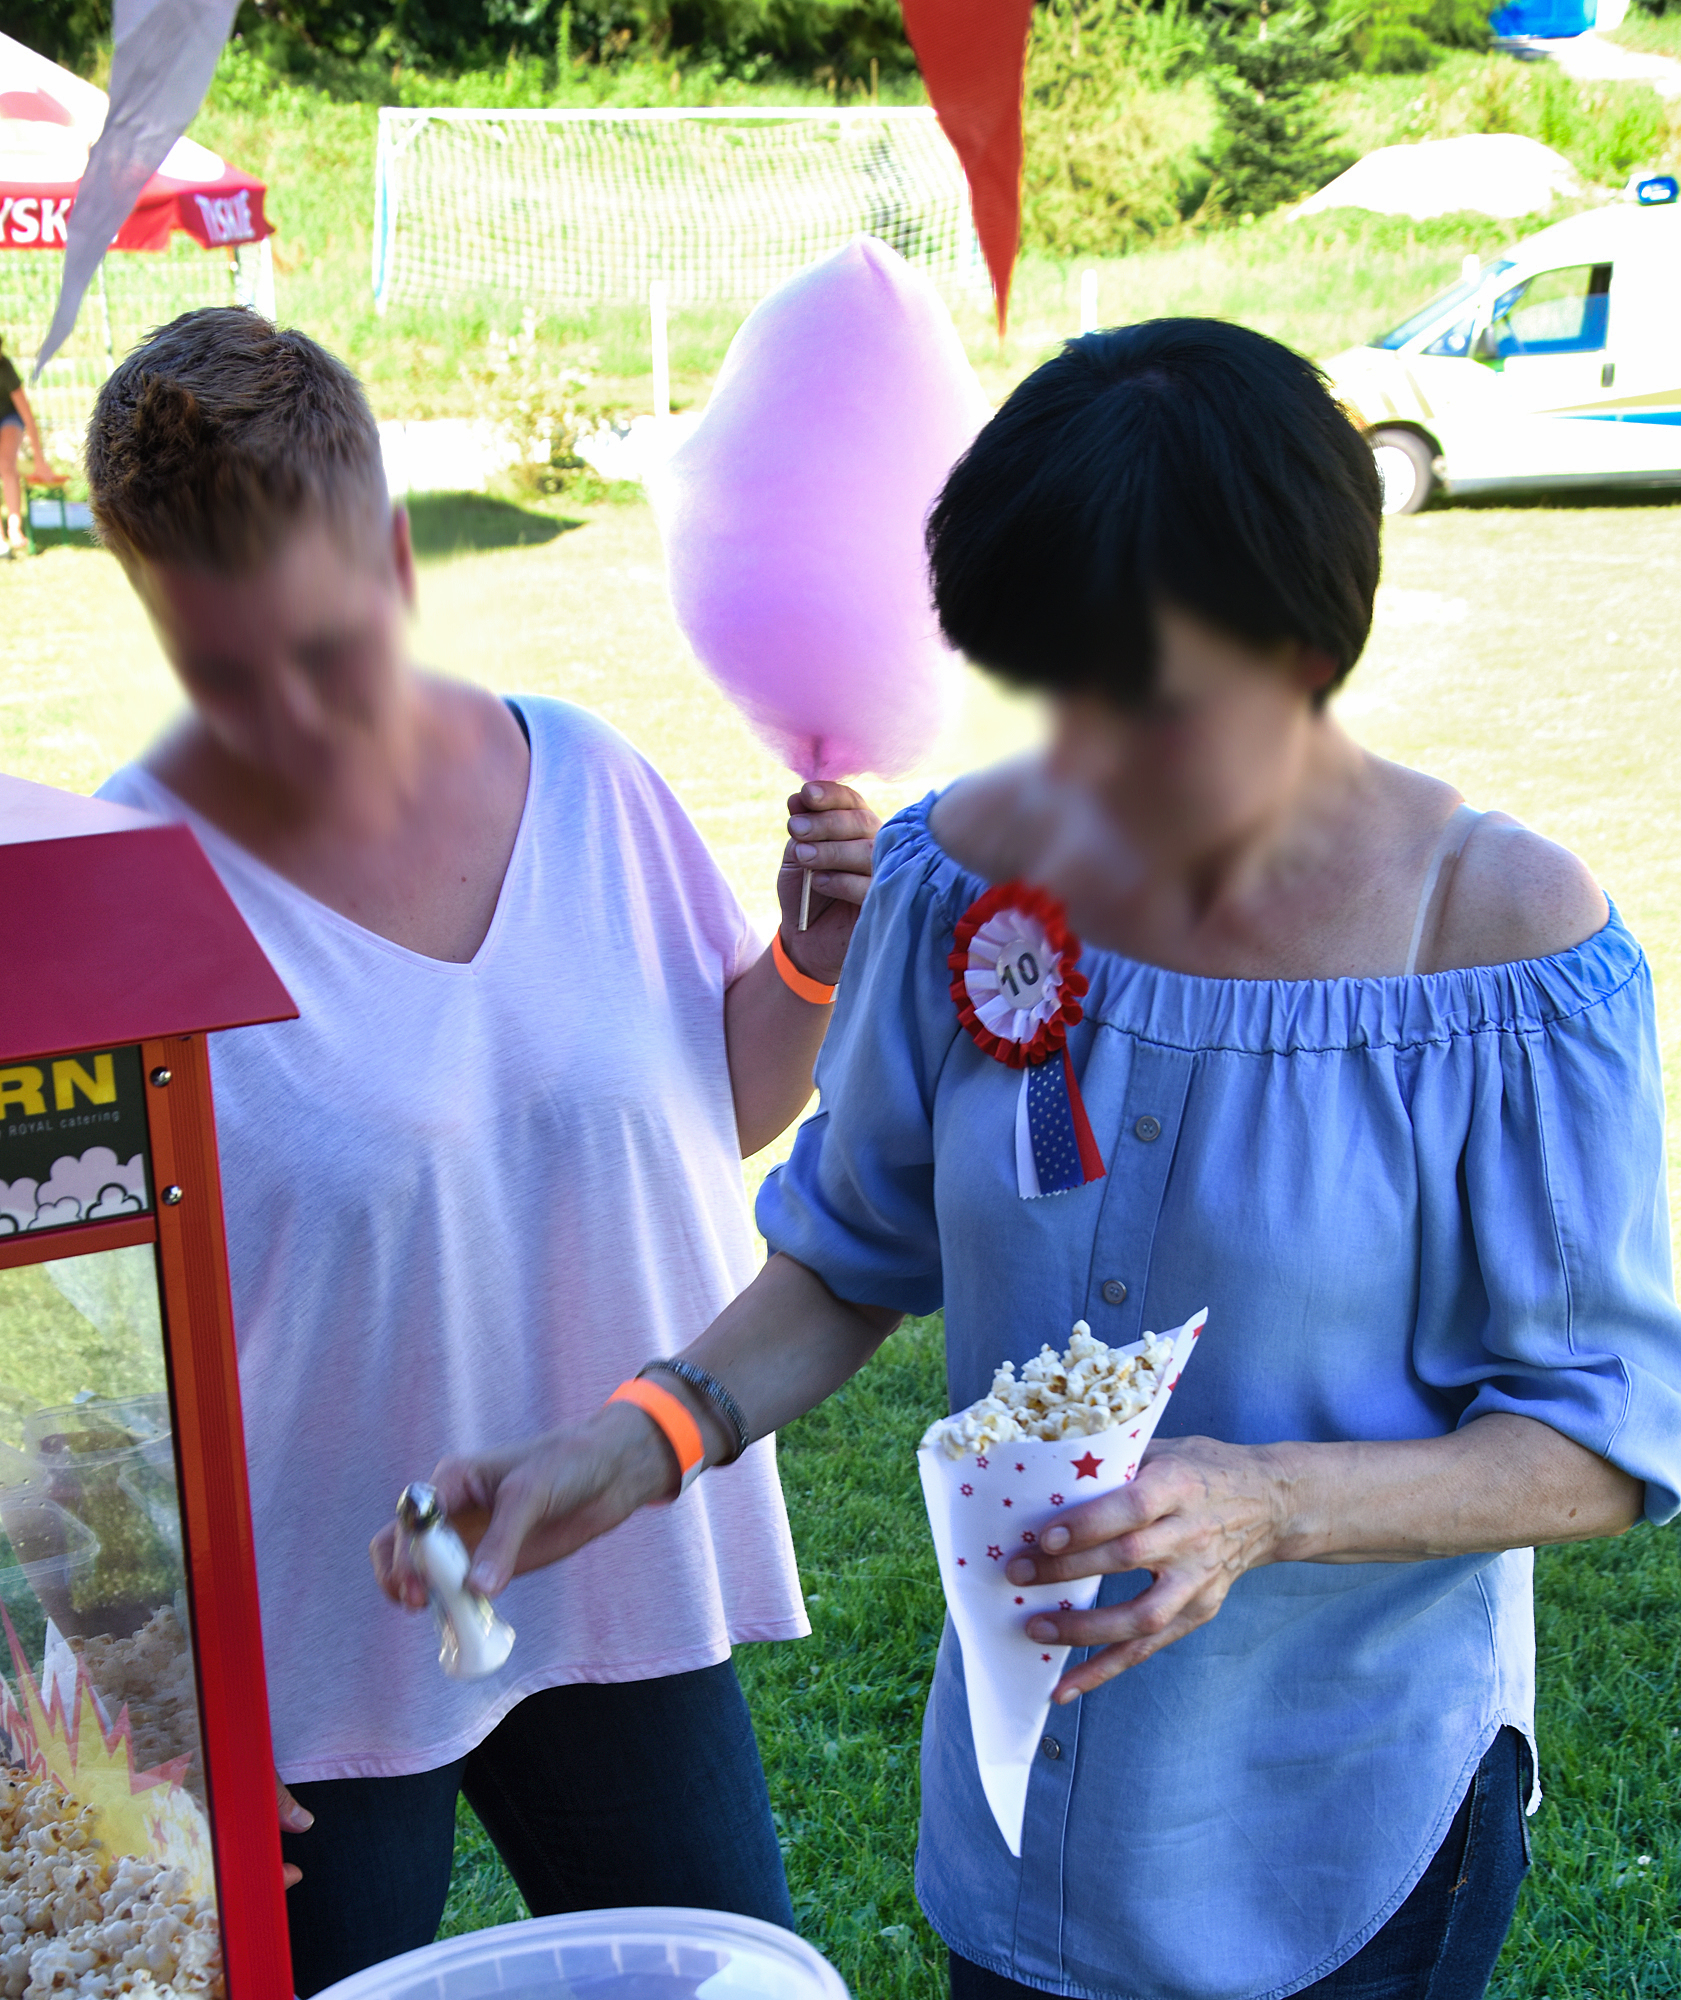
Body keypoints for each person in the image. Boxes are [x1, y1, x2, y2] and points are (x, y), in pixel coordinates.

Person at [377, 318, 1681, 2000]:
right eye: (1049, 687)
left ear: (1303, 642)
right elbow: (852, 1252)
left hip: (1338, 1829)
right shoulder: (962, 876)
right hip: (1022, 1813)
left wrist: (1266, 1506)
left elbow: (1596, 1441)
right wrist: (633, 1442)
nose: (1083, 758)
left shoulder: (1497, 947)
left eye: (1141, 699)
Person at [87, 307, 880, 1996]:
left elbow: (707, 1112)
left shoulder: (588, 779)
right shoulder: (121, 897)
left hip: (609, 1546)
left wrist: (809, 961)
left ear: (395, 554)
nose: (287, 714)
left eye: (326, 647)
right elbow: (72, 1384)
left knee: (723, 1974)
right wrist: (158, 1709)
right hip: (303, 1661)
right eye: (225, 670)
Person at [0, 333, 64, 556]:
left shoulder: (4, 368)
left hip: (9, 418)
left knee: (5, 465)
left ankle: (14, 528)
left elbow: (27, 415)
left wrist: (39, 460)